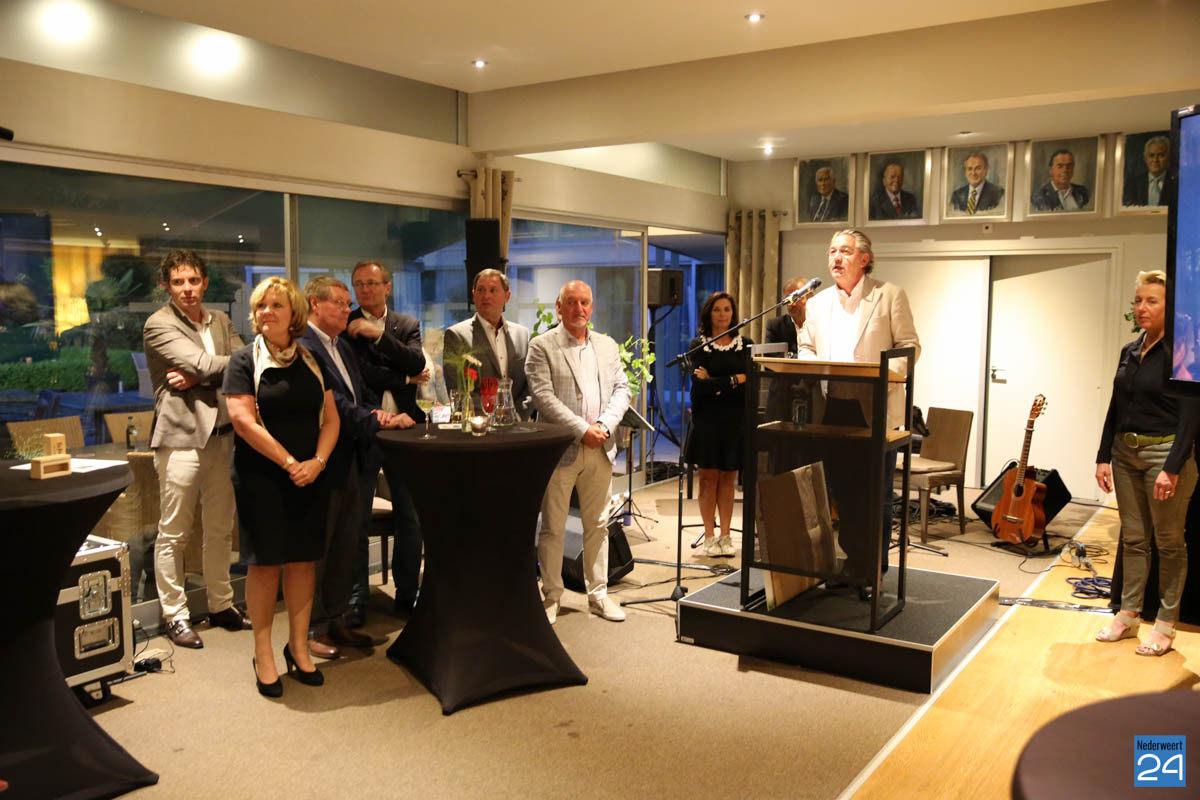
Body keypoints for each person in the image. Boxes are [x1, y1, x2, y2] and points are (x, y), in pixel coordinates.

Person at [224, 277, 339, 697]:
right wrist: (290, 463)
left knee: (304, 562)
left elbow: (332, 419)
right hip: (263, 477)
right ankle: (263, 653)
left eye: (276, 305)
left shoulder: (312, 359)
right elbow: (243, 421)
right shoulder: (242, 361)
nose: (266, 312)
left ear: (294, 314)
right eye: (261, 306)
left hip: (309, 475)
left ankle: (298, 645)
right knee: (266, 564)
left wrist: (317, 463)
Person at [143, 249, 250, 649]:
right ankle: (175, 615)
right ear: (166, 286)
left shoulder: (220, 319)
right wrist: (206, 369)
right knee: (174, 533)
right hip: (181, 438)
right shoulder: (159, 323)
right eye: (177, 282)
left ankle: (221, 604)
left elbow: (246, 361)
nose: (186, 289)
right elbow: (208, 364)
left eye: (192, 281)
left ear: (204, 283)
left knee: (220, 528)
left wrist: (200, 374)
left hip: (223, 436)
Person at [798, 230, 920, 580]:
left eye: (845, 251)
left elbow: (909, 346)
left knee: (875, 493)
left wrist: (885, 375)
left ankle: (873, 568)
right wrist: (813, 366)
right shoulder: (817, 303)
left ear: (864, 259)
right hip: (832, 406)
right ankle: (852, 562)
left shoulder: (889, 295)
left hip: (875, 406)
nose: (836, 258)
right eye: (832, 251)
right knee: (842, 491)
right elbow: (806, 347)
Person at [1094, 270, 1199, 656]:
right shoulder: (1130, 350)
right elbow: (1116, 405)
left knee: (1169, 542)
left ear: (1170, 307)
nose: (1142, 307)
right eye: (1138, 300)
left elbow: (1191, 414)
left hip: (1164, 454)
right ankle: (1128, 615)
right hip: (1125, 455)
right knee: (1134, 539)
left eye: (1152, 301)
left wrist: (1172, 467)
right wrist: (1103, 456)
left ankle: (1166, 625)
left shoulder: (1184, 350)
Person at [300, 276, 403, 657]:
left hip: (353, 457)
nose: (348, 309)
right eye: (340, 303)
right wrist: (380, 421)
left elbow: (359, 396)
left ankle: (338, 620)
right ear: (315, 304)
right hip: (322, 461)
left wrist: (376, 414)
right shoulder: (304, 346)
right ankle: (313, 629)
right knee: (321, 550)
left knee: (345, 545)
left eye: (347, 304)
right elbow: (335, 407)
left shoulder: (341, 345)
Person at [527, 280, 631, 624]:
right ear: (559, 308)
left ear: (592, 306)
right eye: (571, 302)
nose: (578, 309)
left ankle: (598, 595)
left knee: (598, 525)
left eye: (584, 302)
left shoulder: (607, 345)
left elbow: (622, 389)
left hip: (601, 447)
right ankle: (552, 595)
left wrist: (603, 426)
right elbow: (543, 397)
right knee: (553, 527)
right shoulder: (542, 346)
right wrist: (582, 430)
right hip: (561, 451)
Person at [345, 260, 425, 621]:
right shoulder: (346, 324)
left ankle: (407, 594)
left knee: (411, 516)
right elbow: (361, 376)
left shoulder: (406, 324)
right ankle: (357, 599)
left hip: (407, 433)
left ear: (387, 287)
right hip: (366, 430)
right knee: (357, 517)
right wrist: (405, 380)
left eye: (372, 283)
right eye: (359, 284)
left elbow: (416, 361)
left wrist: (377, 336)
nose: (365, 290)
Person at [686, 292, 752, 557]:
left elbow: (749, 385)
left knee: (728, 479)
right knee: (708, 479)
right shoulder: (698, 345)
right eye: (717, 310)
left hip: (735, 421)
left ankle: (726, 535)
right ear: (708, 314)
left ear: (733, 314)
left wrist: (715, 382)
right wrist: (735, 379)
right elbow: (699, 388)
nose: (722, 314)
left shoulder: (746, 345)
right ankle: (709, 536)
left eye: (727, 309)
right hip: (707, 420)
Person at [444, 268, 531, 416]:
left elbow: (530, 385)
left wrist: (516, 415)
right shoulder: (456, 335)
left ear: (507, 296)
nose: (486, 296)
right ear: (473, 296)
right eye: (481, 290)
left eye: (493, 290)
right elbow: (457, 388)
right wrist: (493, 416)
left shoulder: (522, 335)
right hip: (478, 423)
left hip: (516, 423)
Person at [764, 276, 810, 354]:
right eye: (789, 299)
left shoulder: (819, 324)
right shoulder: (776, 325)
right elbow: (770, 356)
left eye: (798, 298)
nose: (793, 304)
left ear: (810, 298)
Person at [1123, 135, 1169, 207]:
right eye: (1151, 155)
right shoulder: (1133, 184)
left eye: (1160, 155)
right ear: (1145, 158)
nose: (1155, 160)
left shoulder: (1176, 183)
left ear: (1168, 157)